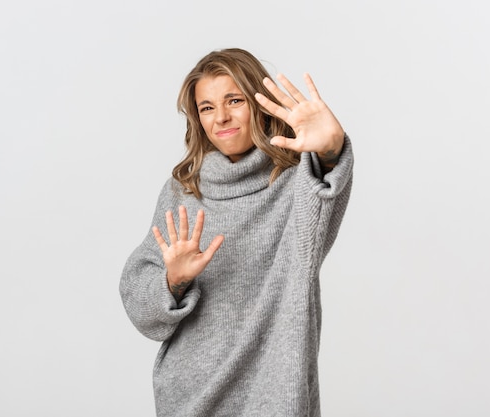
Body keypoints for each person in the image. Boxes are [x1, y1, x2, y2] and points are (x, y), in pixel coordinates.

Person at [120, 48, 353, 417]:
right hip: (189, 398)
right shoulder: (182, 190)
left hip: (277, 396)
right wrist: (173, 282)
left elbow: (324, 193)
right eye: (207, 107)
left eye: (234, 100)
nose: (222, 117)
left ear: (260, 106)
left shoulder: (297, 184)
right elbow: (140, 306)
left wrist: (330, 150)